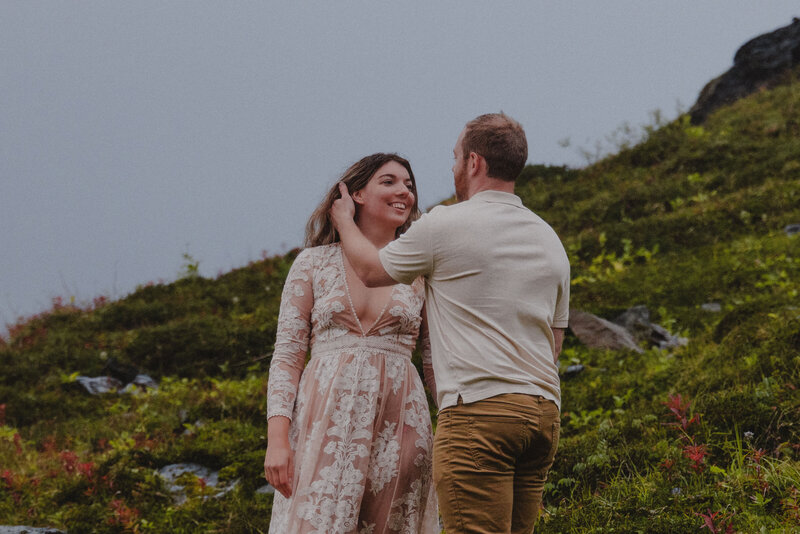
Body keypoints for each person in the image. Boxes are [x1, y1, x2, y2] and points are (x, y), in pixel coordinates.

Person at [331, 113, 570, 534]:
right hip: (543, 415)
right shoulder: (548, 238)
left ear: (473, 163)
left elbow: (369, 270)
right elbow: (554, 341)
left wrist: (344, 221)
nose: (453, 167)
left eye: (455, 157)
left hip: (480, 413)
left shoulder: (444, 224)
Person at [264, 153, 439, 534]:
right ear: (355, 193)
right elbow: (287, 358)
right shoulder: (312, 263)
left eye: (409, 185)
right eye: (389, 181)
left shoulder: (421, 272)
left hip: (402, 430)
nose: (404, 192)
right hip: (321, 423)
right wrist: (277, 440)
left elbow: (434, 366)